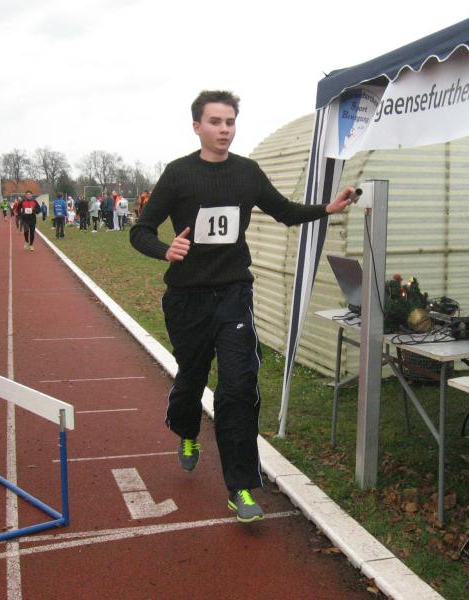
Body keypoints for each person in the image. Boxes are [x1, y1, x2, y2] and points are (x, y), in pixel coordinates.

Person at [129, 90, 353, 523]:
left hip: (233, 296)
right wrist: (164, 250)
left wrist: (327, 207)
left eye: (230, 121)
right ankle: (186, 429)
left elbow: (285, 211)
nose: (224, 129)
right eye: (215, 121)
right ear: (197, 126)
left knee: (238, 387)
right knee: (192, 379)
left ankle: (241, 487)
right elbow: (140, 230)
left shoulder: (247, 173)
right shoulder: (178, 174)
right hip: (187, 300)